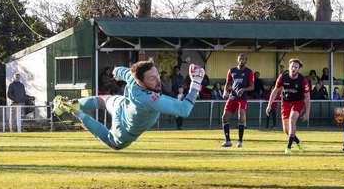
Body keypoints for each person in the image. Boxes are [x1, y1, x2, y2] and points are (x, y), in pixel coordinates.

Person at [52, 59, 204, 150]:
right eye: (152, 78)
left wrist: (114, 73)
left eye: (157, 74)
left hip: (121, 105)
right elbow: (185, 110)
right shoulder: (149, 100)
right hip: (123, 130)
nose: (158, 80)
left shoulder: (132, 78)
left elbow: (119, 71)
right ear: (140, 81)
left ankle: (72, 103)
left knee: (102, 100)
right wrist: (196, 82)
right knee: (112, 143)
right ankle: (77, 112)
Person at [266, 58, 310, 154]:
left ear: (299, 69)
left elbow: (307, 97)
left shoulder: (303, 80)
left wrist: (307, 112)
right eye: (292, 66)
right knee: (286, 130)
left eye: (296, 67)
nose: (293, 68)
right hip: (285, 103)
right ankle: (298, 142)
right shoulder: (283, 77)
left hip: (298, 102)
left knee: (292, 120)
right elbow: (275, 91)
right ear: (289, 67)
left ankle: (288, 148)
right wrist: (269, 105)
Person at [221, 53, 254, 148]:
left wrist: (244, 89)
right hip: (232, 97)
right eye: (240, 58)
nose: (241, 60)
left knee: (241, 117)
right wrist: (224, 92)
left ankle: (240, 141)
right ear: (237, 60)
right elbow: (227, 83)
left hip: (242, 98)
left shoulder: (249, 72)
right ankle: (228, 141)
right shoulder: (232, 70)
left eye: (243, 59)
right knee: (224, 117)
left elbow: (252, 87)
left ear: (246, 61)